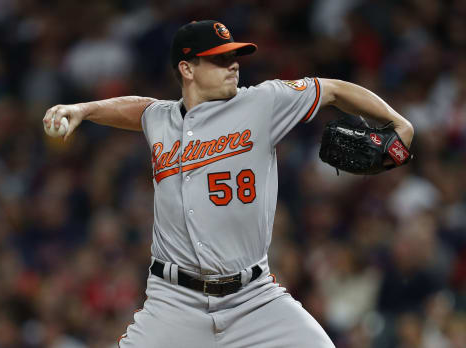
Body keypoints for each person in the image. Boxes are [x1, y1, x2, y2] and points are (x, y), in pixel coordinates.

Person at [43, 20, 413, 348]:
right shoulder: (161, 118)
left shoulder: (263, 103)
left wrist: (399, 123)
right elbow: (138, 109)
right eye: (219, 59)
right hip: (174, 302)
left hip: (253, 299)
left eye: (234, 55)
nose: (233, 64)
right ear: (187, 68)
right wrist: (85, 110)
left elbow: (332, 89)